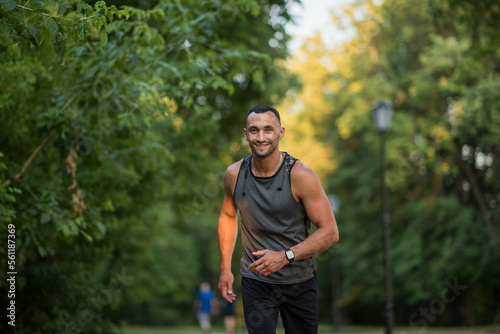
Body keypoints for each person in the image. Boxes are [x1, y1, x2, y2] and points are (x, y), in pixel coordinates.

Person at [217, 105, 339, 334]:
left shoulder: (301, 176)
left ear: (280, 133)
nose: (261, 137)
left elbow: (330, 232)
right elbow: (227, 215)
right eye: (254, 131)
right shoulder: (234, 175)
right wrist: (225, 269)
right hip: (256, 281)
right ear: (246, 134)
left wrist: (285, 257)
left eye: (268, 130)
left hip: (298, 282)